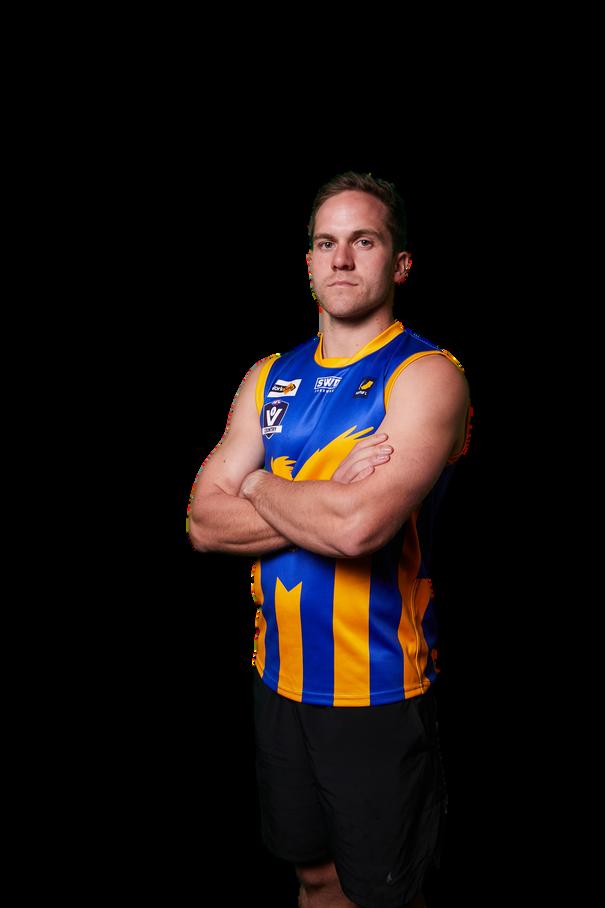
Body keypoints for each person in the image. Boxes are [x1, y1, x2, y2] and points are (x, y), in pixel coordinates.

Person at [187, 171, 473, 908]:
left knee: (382, 895)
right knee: (311, 876)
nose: (340, 258)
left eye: (363, 241)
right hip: (277, 677)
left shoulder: (425, 376)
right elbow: (202, 523)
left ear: (399, 264)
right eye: (325, 242)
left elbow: (357, 527)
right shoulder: (268, 377)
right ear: (309, 262)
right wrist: (323, 491)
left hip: (375, 687)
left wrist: (256, 484)